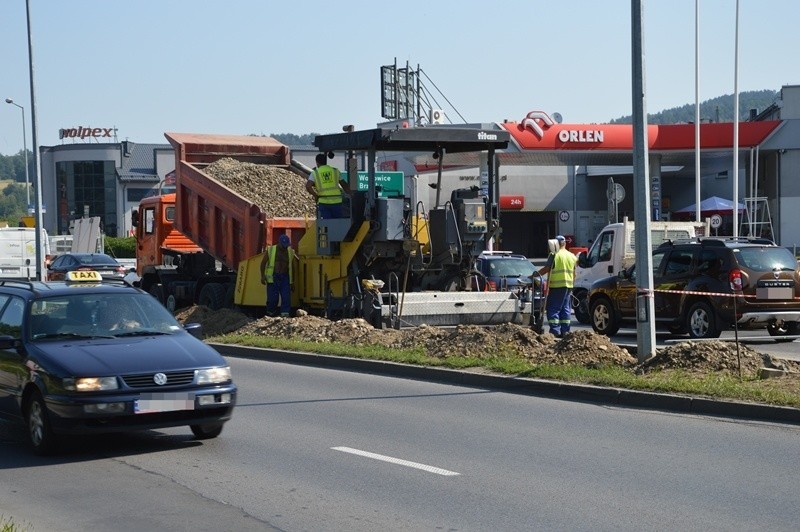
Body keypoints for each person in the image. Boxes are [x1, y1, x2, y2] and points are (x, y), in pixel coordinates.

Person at [538, 235, 578, 338]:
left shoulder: (554, 255)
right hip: (568, 286)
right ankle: (566, 331)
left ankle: (555, 331)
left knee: (553, 308)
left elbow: (547, 269)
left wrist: (534, 275)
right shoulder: (572, 256)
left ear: (555, 243)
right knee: (565, 308)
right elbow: (574, 273)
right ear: (564, 243)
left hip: (557, 286)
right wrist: (572, 285)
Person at [306, 153, 351, 219]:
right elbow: (344, 184)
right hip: (337, 202)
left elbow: (308, 186)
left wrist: (315, 195)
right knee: (339, 222)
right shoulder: (335, 171)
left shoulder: (315, 173)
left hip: (324, 202)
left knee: (326, 224)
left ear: (317, 162)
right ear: (325, 161)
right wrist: (351, 194)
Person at [260, 234, 295, 317]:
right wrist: (262, 276)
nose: (285, 248)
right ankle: (270, 315)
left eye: (286, 246)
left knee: (286, 298)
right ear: (279, 243)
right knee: (272, 299)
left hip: (285, 278)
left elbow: (293, 267)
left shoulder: (290, 252)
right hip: (273, 278)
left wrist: (293, 281)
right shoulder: (271, 250)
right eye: (283, 246)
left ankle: (284, 317)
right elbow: (263, 263)